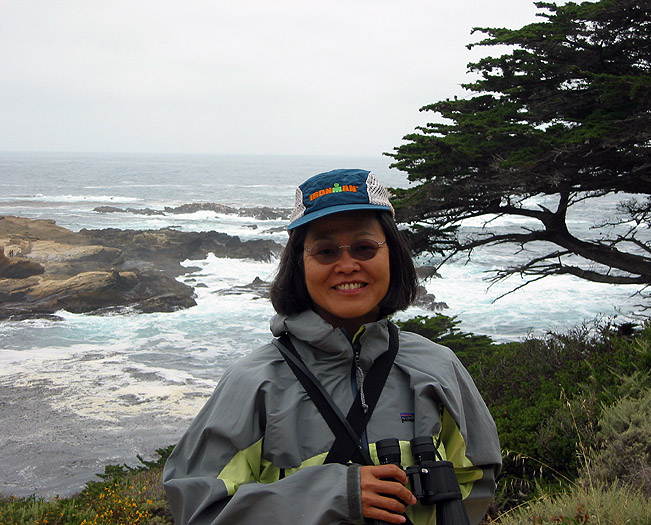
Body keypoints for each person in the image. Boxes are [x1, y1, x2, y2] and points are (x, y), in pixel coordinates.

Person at [163, 169, 501, 525]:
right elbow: (199, 510)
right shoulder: (253, 383)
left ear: (392, 255)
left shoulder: (438, 367)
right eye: (325, 251)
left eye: (364, 248)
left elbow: (477, 480)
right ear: (299, 264)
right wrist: (334, 494)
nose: (347, 265)